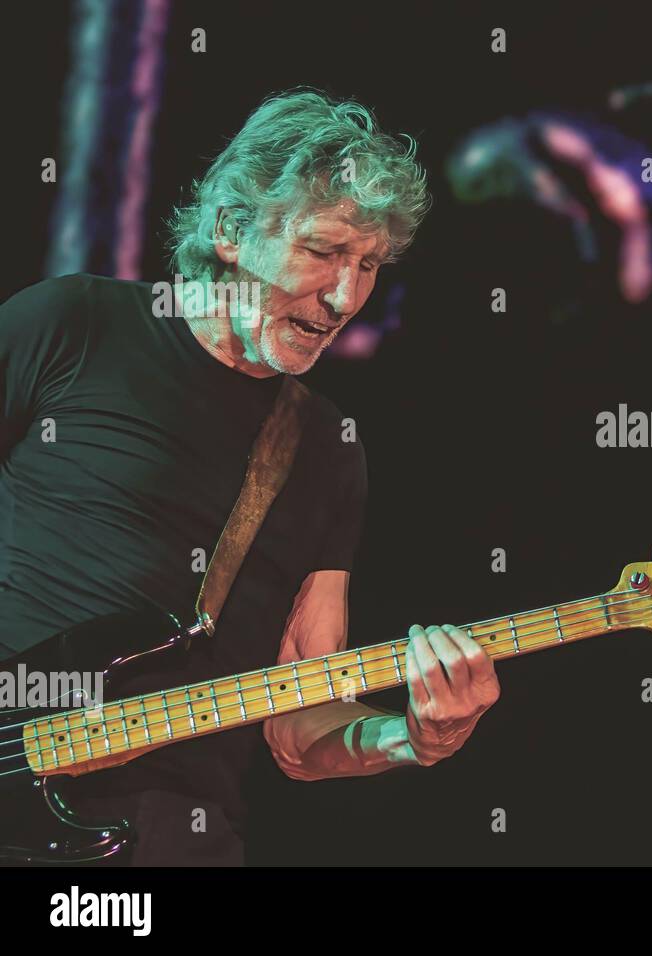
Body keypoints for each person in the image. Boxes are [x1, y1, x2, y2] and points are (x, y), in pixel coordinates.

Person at [0, 89, 500, 865]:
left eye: (367, 265)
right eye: (324, 251)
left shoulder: (325, 446)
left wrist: (416, 737)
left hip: (172, 835)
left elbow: (302, 723)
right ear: (232, 230)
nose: (345, 297)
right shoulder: (71, 325)